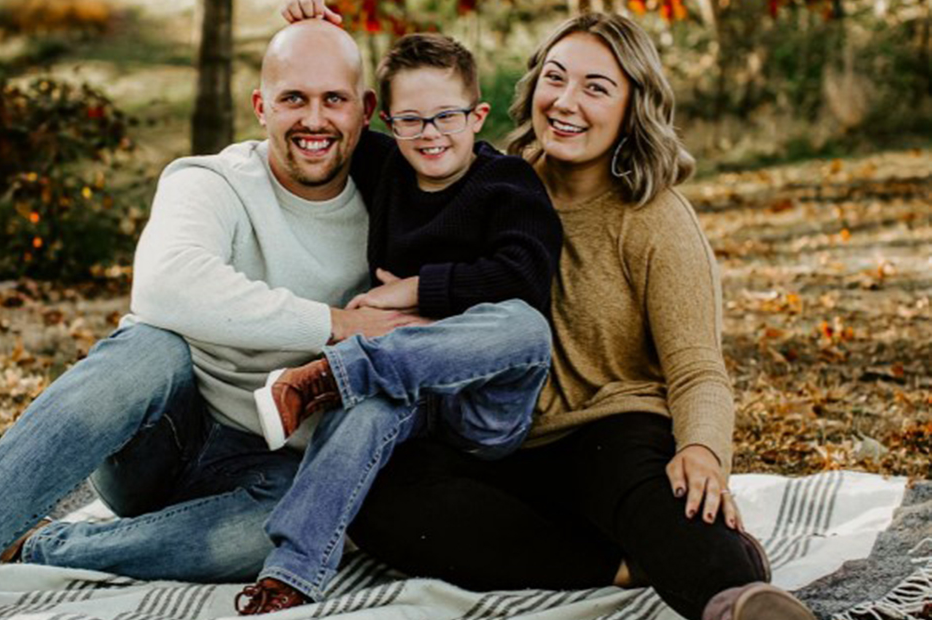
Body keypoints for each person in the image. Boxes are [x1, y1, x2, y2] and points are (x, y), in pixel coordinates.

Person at [0, 20, 426, 620]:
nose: (314, 120)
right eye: (293, 98)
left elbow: (465, 159)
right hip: (160, 438)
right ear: (260, 106)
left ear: (366, 110)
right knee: (150, 347)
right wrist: (336, 322)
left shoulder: (397, 205)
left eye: (333, 100)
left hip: (269, 471)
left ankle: (38, 547)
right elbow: (165, 285)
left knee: (317, 524)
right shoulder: (211, 181)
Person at [281, 5, 817, 620]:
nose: (566, 102)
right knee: (382, 502)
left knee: (663, 494)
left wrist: (703, 450)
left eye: (596, 87)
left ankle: (738, 601)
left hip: (605, 428)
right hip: (494, 434)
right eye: (555, 78)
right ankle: (613, 564)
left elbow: (698, 368)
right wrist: (319, 34)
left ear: (630, 105)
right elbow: (370, 123)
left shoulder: (655, 219)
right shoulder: (486, 180)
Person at [236, 33, 562, 613]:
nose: (430, 133)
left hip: (481, 405)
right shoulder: (385, 165)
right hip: (397, 390)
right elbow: (319, 118)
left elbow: (523, 279)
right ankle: (288, 576)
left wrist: (412, 291)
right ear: (383, 121)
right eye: (410, 120)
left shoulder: (508, 184)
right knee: (369, 406)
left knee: (524, 325)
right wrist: (315, 25)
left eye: (447, 117)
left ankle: (332, 375)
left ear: (477, 115)